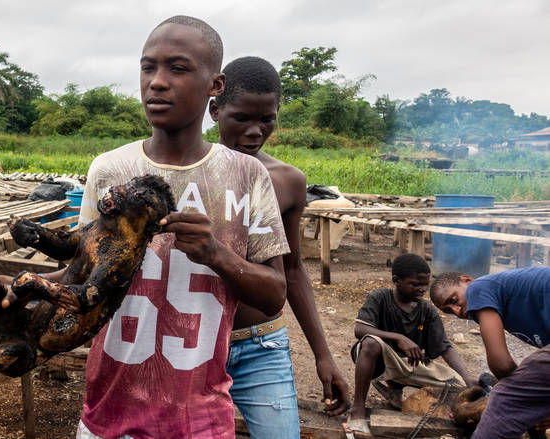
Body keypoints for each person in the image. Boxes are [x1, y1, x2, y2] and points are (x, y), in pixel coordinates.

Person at [55, 16, 289, 439]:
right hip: (108, 416)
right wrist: (24, 286)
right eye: (148, 68)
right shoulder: (110, 169)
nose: (157, 83)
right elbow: (81, 272)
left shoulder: (246, 176)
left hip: (199, 421)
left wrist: (214, 253)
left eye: (177, 69)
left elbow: (275, 296)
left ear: (215, 85)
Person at [208, 56, 349, 438]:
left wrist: (323, 354)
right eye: (242, 118)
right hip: (198, 340)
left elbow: (292, 268)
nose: (256, 131)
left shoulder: (287, 181)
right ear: (215, 109)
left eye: (266, 119)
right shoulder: (193, 176)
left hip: (262, 343)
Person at [348, 253, 475, 435]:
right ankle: (358, 408)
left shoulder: (427, 311)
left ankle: (395, 391)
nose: (422, 289)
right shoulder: (380, 298)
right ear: (396, 280)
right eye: (415, 284)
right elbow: (359, 329)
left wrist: (467, 376)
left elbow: (445, 347)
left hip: (413, 364)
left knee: (460, 387)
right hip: (385, 360)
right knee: (370, 343)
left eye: (425, 284)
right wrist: (399, 338)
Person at [430, 267, 550, 439]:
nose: (456, 311)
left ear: (467, 280)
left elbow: (501, 365)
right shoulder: (505, 301)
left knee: (504, 401)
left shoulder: (479, 288)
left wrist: (515, 395)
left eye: (454, 300)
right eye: (449, 310)